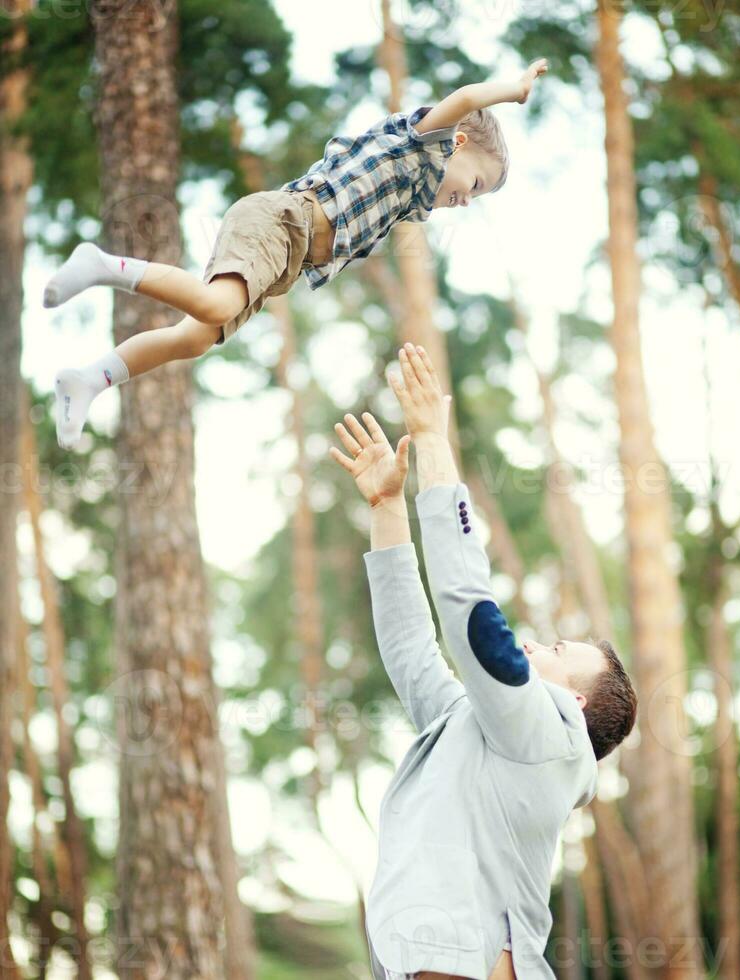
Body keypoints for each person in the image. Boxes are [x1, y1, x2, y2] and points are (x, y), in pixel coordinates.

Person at [329, 343, 638, 980]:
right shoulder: (479, 730)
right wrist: (387, 510)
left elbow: (473, 617)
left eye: (557, 653)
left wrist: (432, 446)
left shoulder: (549, 736)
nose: (535, 645)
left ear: (575, 703)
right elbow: (413, 649)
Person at [43, 60, 548, 449]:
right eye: (473, 184)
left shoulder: (418, 199)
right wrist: (514, 91)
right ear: (457, 143)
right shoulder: (423, 143)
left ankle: (89, 378)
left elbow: (423, 201)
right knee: (216, 307)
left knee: (193, 339)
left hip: (287, 259)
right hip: (283, 219)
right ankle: (103, 265)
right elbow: (465, 98)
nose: (464, 199)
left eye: (474, 200)